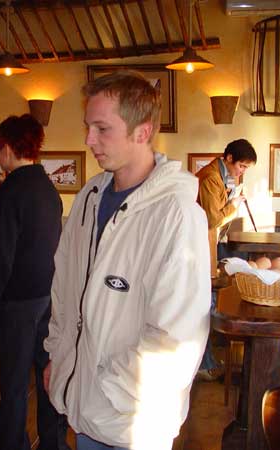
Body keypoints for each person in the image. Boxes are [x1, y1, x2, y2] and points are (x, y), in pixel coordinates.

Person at [43, 70, 211, 450]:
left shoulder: (177, 215)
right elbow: (64, 289)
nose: (89, 140)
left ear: (142, 132)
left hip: (134, 421)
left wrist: (109, 390)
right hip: (83, 406)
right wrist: (61, 357)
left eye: (102, 129)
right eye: (88, 127)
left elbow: (177, 338)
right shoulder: (89, 199)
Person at [0, 114, 69, 450]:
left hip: (18, 304)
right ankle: (53, 445)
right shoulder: (48, 189)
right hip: (48, 297)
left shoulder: (11, 193)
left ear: (9, 148)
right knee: (47, 378)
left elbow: (3, 262)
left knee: (13, 385)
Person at [195, 139, 257, 381]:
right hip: (200, 249)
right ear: (229, 158)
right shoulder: (210, 177)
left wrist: (232, 196)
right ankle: (204, 364)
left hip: (207, 247)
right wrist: (234, 205)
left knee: (208, 304)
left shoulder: (221, 176)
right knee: (203, 307)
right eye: (241, 166)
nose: (241, 172)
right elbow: (212, 219)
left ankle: (207, 360)